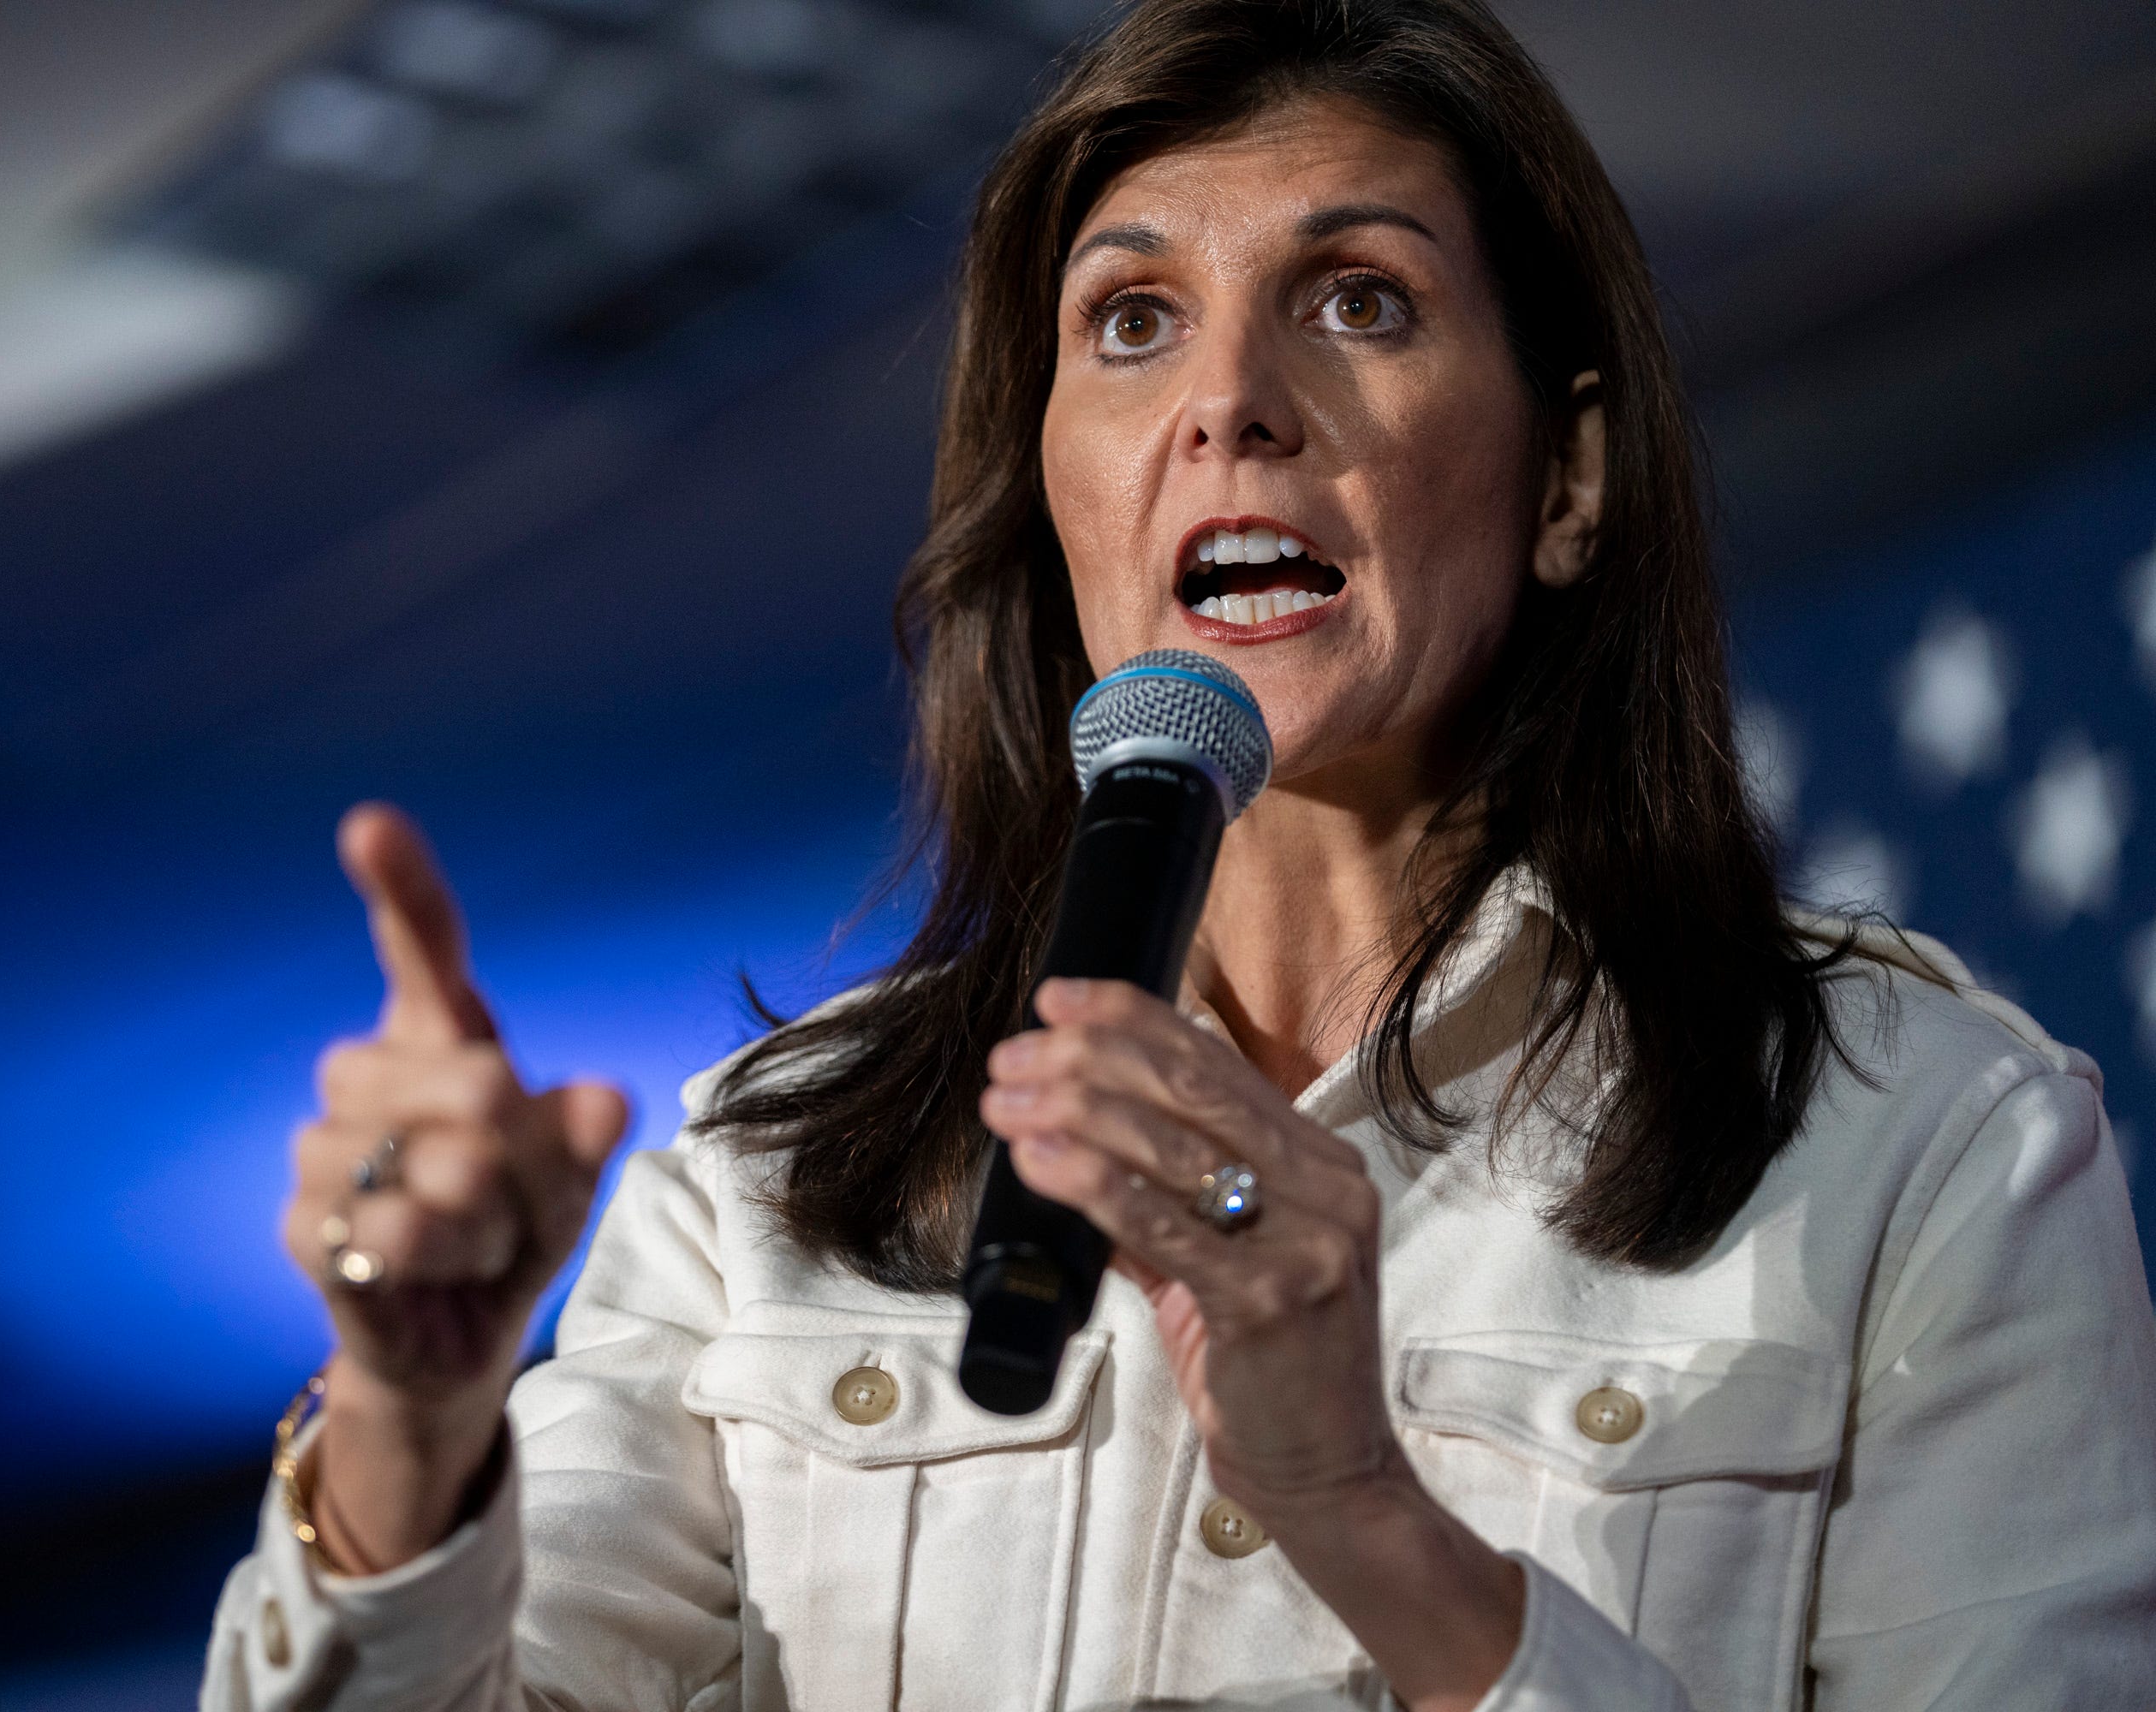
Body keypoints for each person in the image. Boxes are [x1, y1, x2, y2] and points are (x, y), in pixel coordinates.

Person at [202, 0, 2156, 1704]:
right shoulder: (759, 1187)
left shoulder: (1925, 1154)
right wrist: (409, 1420)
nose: (1229, 404)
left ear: (1569, 477)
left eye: (1359, 300)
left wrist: (1365, 1513)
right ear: (1052, 484)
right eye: (1133, 321)